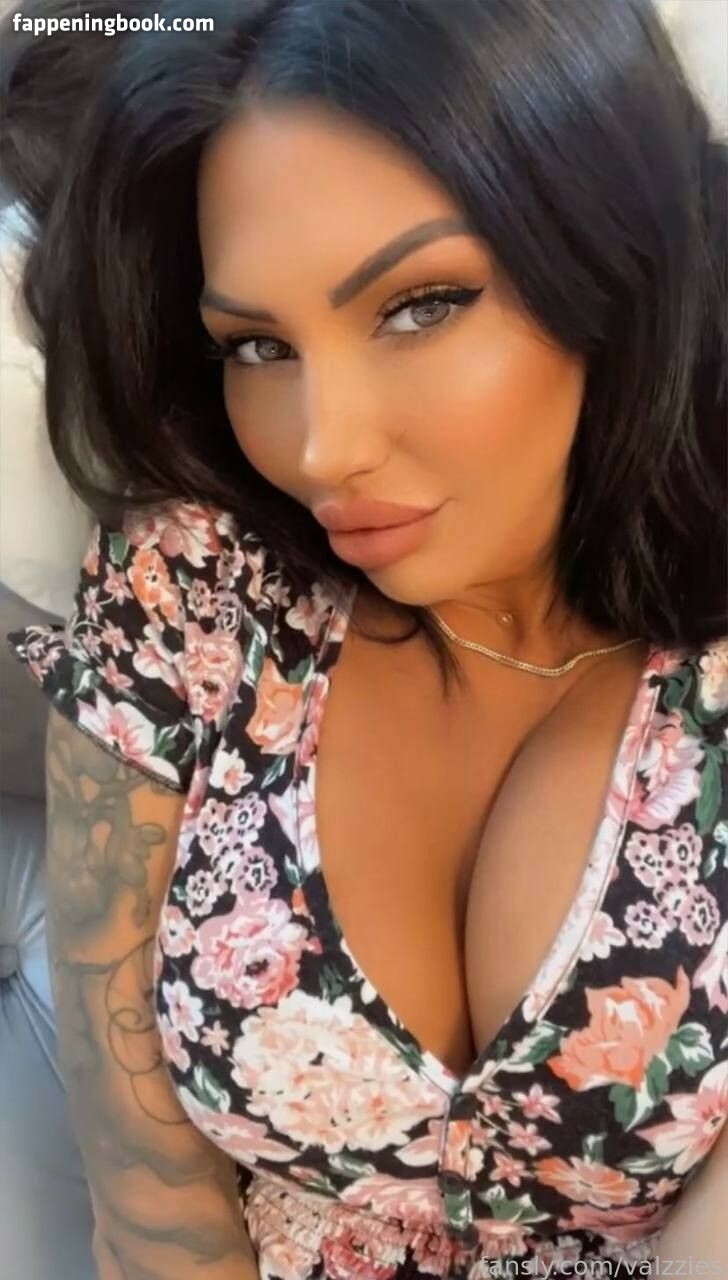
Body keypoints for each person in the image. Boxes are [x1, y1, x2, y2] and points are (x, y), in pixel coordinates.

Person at [1, 1, 726, 1277]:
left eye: (418, 305)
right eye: (257, 344)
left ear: (614, 262)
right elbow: (153, 1205)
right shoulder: (195, 590)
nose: (321, 446)